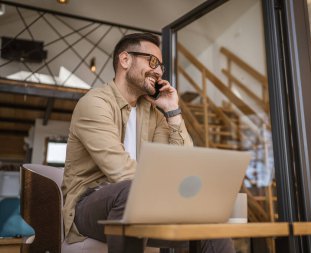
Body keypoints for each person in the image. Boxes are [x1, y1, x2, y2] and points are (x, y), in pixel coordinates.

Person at [61, 32, 235, 253]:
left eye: (161, 66)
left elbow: (181, 163)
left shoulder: (153, 112)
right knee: (130, 191)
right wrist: (174, 197)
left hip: (144, 200)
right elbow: (120, 172)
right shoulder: (95, 104)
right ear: (125, 60)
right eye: (152, 61)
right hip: (89, 205)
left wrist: (172, 111)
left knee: (211, 223)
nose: (159, 71)